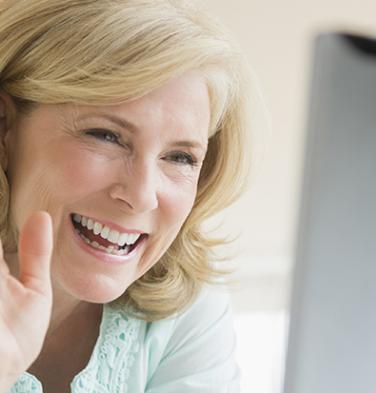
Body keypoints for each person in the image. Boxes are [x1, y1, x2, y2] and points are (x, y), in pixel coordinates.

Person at [0, 0, 260, 391]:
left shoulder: (185, 308)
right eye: (106, 136)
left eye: (179, 157)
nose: (142, 196)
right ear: (5, 127)